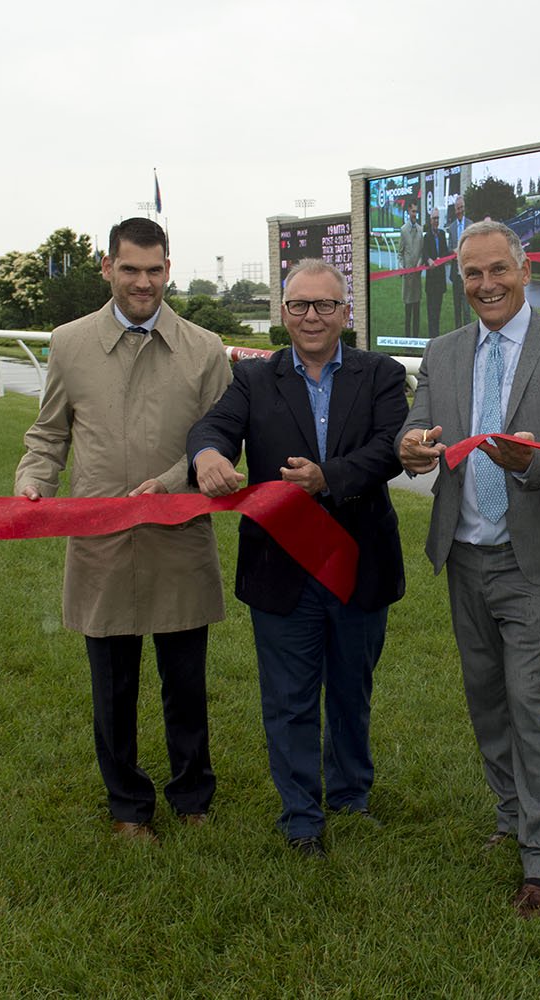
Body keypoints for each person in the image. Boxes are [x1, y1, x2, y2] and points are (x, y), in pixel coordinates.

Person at [398, 220, 540, 918]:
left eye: (498, 271)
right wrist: (414, 448)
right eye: (472, 274)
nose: (486, 285)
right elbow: (419, 427)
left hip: (536, 560)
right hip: (464, 553)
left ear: (524, 270)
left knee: (530, 701)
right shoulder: (445, 350)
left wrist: (534, 459)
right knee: (486, 698)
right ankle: (512, 818)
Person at [15, 217, 230, 843]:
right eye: (130, 269)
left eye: (154, 270)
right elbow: (49, 433)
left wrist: (172, 479)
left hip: (179, 537)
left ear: (169, 269)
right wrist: (36, 480)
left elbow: (222, 439)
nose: (143, 282)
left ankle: (193, 796)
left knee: (185, 683)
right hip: (102, 544)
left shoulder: (204, 349)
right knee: (112, 687)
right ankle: (128, 807)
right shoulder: (69, 343)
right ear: (107, 268)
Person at [188, 259, 407, 858]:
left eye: (324, 305)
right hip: (281, 565)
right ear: (281, 313)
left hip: (357, 560)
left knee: (350, 692)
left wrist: (326, 479)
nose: (311, 317)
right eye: (298, 306)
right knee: (288, 698)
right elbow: (213, 427)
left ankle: (350, 796)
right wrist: (207, 454)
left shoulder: (382, 373)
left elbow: (390, 448)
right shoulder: (254, 380)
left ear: (346, 313)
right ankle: (301, 819)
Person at [422, 208, 449, 339]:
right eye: (434, 218)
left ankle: (436, 336)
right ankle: (432, 336)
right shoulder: (426, 236)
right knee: (431, 310)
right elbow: (424, 253)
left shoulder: (442, 234)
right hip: (431, 280)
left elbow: (445, 251)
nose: (436, 221)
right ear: (430, 220)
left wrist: (441, 258)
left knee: (437, 310)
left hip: (440, 279)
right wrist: (429, 260)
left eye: (438, 218)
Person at [399, 206, 423, 338]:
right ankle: (407, 339)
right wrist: (402, 268)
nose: (415, 214)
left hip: (417, 278)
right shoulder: (403, 230)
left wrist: (419, 264)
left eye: (416, 211)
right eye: (413, 211)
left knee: (417, 310)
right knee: (408, 311)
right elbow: (400, 253)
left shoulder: (420, 230)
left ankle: (416, 339)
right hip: (408, 278)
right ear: (409, 212)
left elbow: (421, 252)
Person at [446, 196, 469, 328]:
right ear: (455, 210)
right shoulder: (452, 227)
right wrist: (452, 251)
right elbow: (449, 248)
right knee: (456, 308)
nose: (460, 210)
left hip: (467, 275)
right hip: (455, 275)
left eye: (462, 207)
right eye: (458, 208)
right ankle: (458, 334)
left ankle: (468, 334)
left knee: (466, 308)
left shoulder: (470, 224)